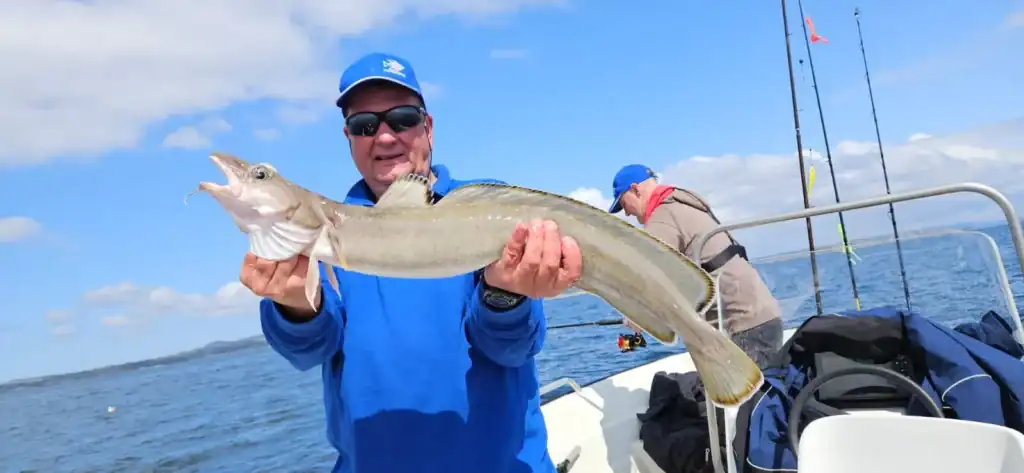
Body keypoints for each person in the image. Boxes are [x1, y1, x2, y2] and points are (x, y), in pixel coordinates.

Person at [240, 52, 583, 473]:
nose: (385, 137)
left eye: (402, 119)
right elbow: (308, 350)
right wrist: (295, 306)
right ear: (348, 138)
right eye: (364, 126)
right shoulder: (323, 239)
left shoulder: (490, 213)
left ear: (428, 127)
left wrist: (504, 296)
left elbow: (512, 348)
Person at [607, 164, 783, 369]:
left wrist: (639, 315)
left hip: (745, 326)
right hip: (761, 315)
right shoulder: (683, 204)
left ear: (635, 189)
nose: (627, 213)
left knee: (744, 393)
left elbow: (653, 277)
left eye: (624, 204)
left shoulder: (662, 216)